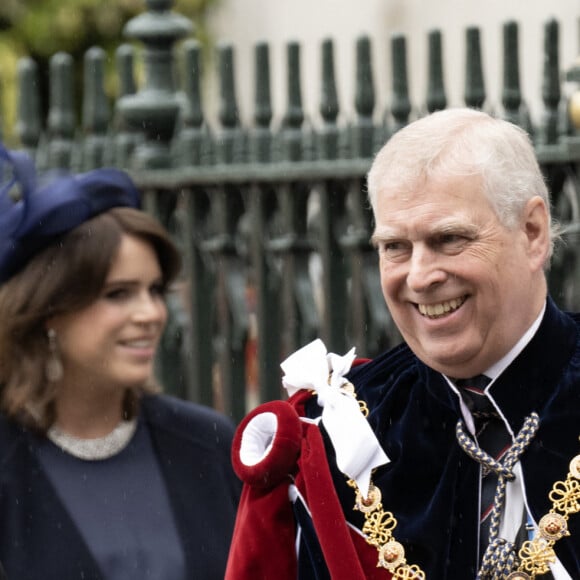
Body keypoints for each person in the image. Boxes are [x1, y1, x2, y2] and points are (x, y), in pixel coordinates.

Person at [225, 108, 580, 579]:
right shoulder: (333, 437)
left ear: (532, 233)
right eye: (395, 247)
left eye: (449, 239)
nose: (419, 276)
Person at [0, 144, 241, 580]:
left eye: (154, 290)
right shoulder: (9, 459)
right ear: (50, 310)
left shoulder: (206, 444)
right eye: (118, 294)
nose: (150, 314)